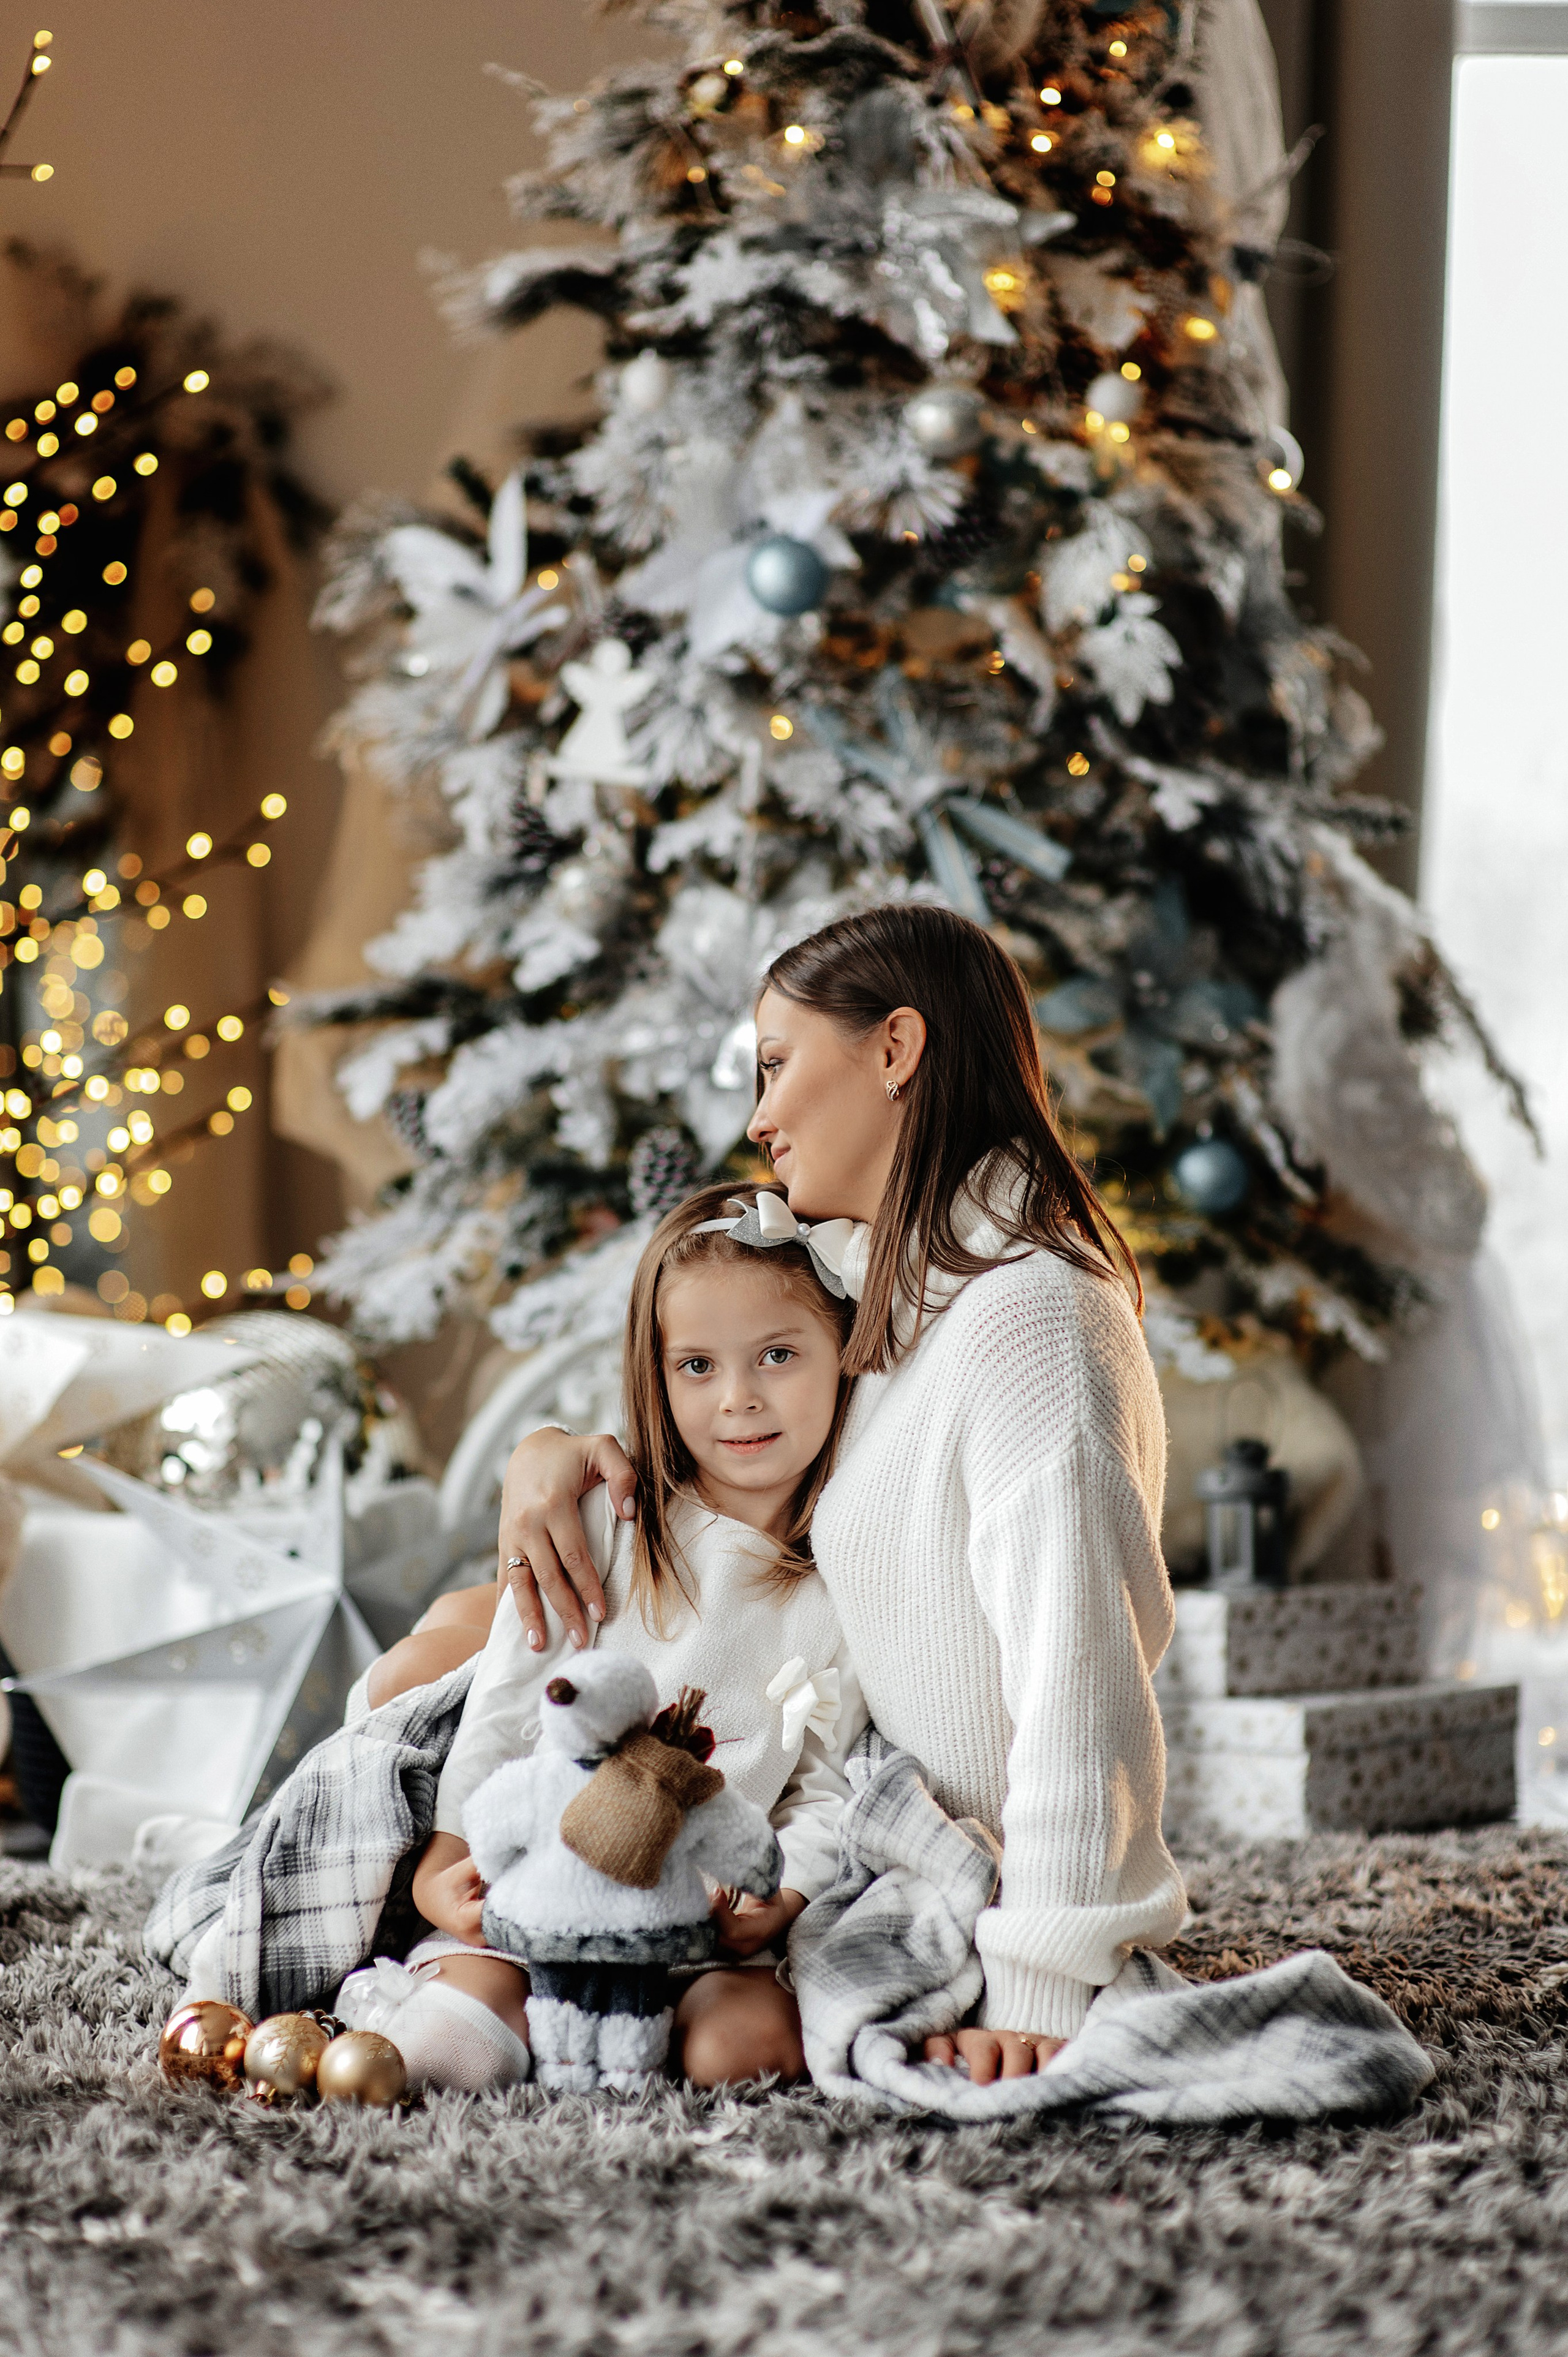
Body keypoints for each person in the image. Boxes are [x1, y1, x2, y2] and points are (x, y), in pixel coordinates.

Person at [496, 903, 1188, 2084]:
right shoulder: (906, 1301)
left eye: (775, 1065)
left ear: (895, 1049)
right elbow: (736, 1421)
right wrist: (549, 1449)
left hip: (945, 1865)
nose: (757, 1118)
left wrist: (1042, 1991)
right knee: (438, 1668)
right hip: (852, 1809)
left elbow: (1082, 1678)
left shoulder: (1033, 1319)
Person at [339, 1183, 867, 2091]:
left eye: (778, 1356)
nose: (739, 1399)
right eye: (697, 1366)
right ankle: (503, 2012)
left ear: (844, 1356)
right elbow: (510, 1700)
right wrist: (446, 1861)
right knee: (458, 2039)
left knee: (743, 2055)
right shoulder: (611, 1519)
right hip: (545, 1890)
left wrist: (781, 1896)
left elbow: (824, 1779)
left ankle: (639, 2027)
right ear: (656, 1377)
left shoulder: (844, 1576)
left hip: (700, 1919)